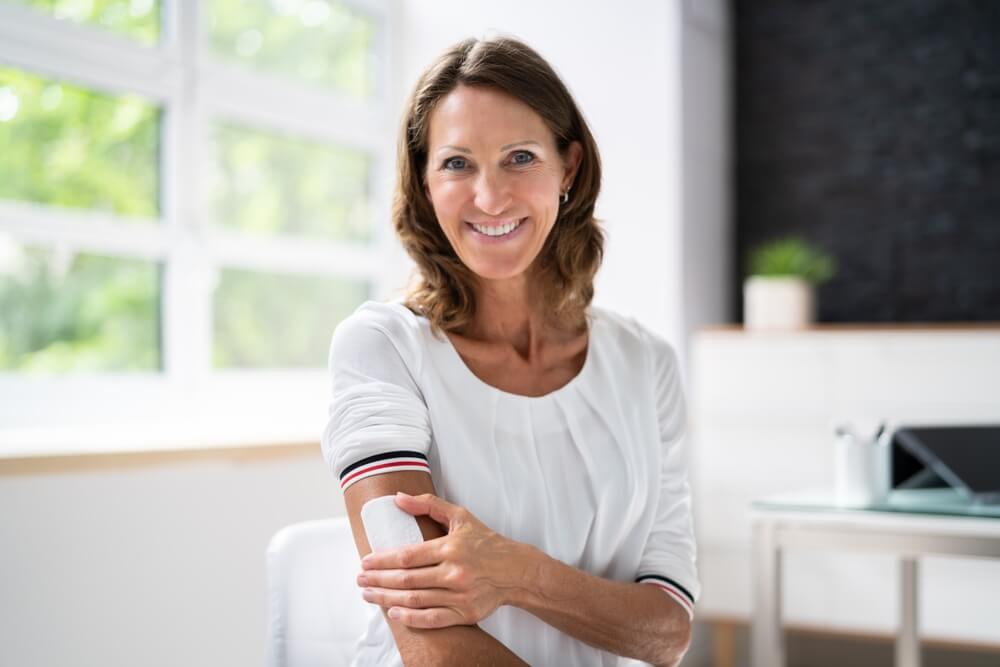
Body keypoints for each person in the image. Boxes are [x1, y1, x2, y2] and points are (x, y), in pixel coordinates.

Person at [321, 35, 699, 666]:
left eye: (520, 157)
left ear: (568, 167)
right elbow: (431, 641)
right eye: (457, 163)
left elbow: (667, 629)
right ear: (423, 180)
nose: (490, 198)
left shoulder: (647, 365)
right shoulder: (382, 347)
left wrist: (516, 573)